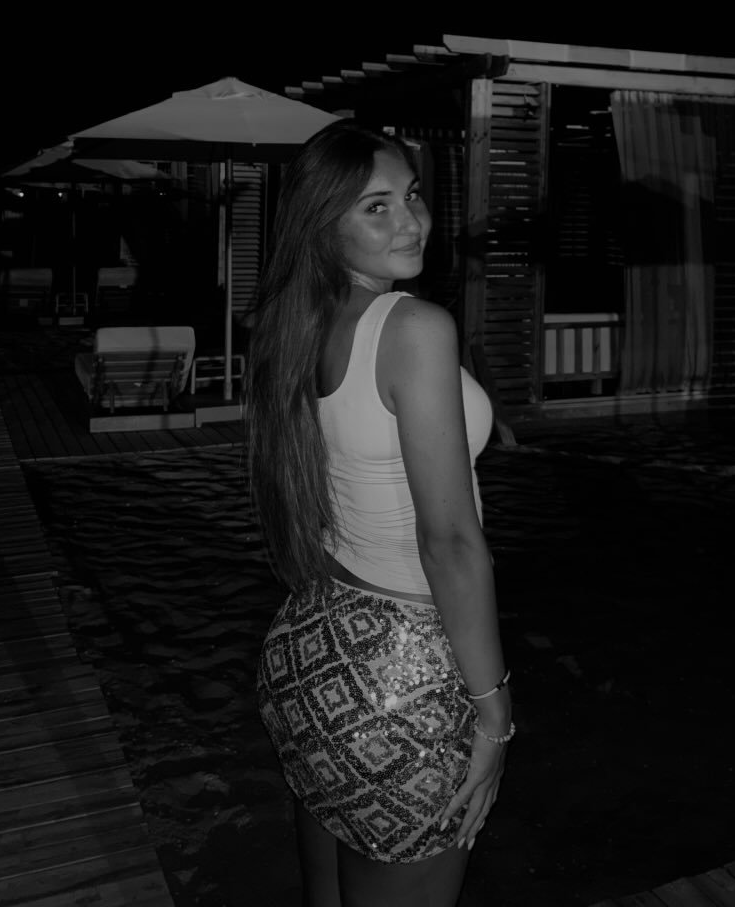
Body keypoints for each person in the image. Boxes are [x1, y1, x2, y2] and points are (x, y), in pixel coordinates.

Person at [247, 121, 512, 907]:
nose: (411, 220)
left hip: (311, 648)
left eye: (413, 196)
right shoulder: (414, 327)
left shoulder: (294, 323)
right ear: (322, 225)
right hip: (401, 683)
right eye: (376, 206)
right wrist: (494, 714)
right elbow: (450, 543)